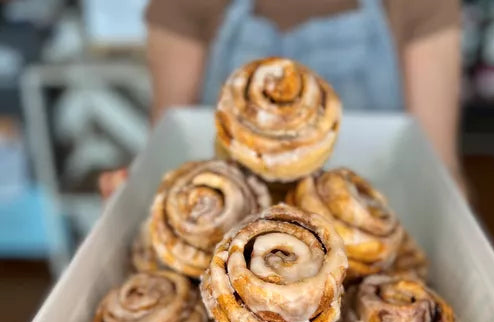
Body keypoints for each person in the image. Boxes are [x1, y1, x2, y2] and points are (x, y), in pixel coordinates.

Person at [99, 0, 463, 197]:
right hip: (223, 221)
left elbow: (438, 171)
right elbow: (169, 148)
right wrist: (134, 200)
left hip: (381, 213)